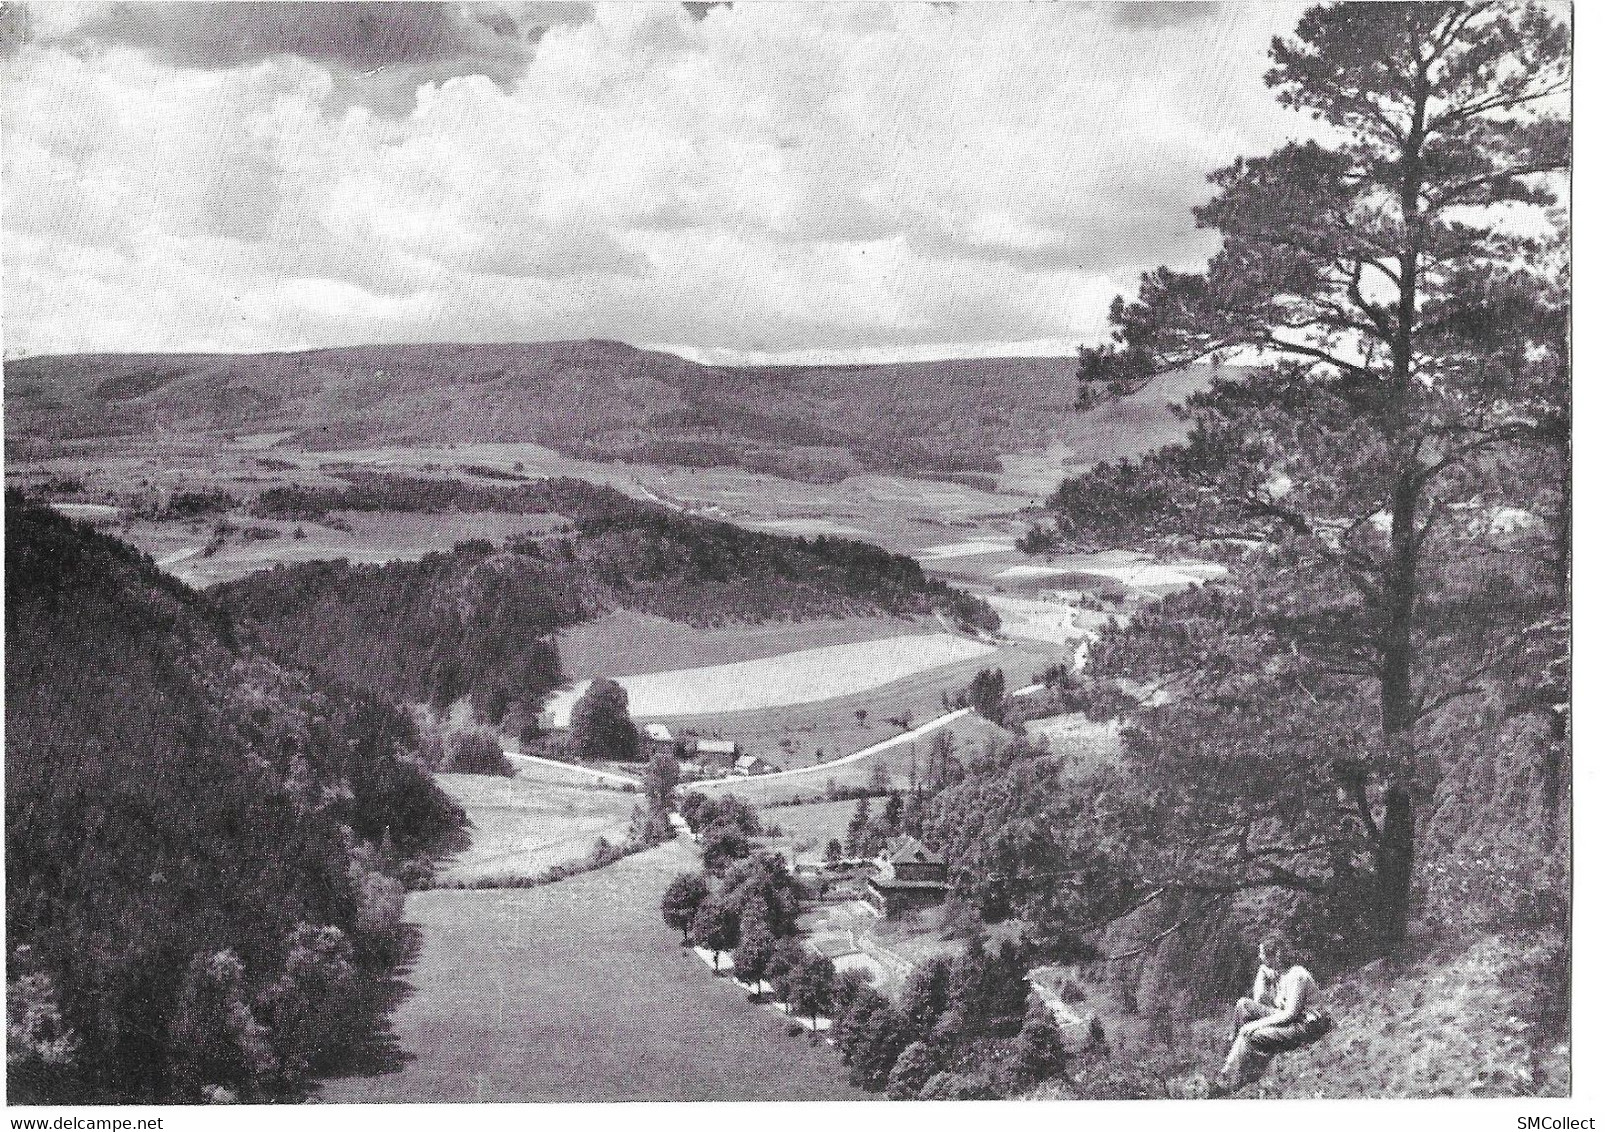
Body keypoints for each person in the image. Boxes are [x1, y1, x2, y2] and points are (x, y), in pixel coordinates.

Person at [1214, 933, 1332, 1095]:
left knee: (1249, 1034)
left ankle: (1225, 1082)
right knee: (1243, 1005)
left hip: (1308, 1025)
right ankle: (1237, 1055)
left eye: (1262, 953)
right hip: (1293, 1019)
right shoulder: (1278, 973)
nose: (1260, 957)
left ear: (1275, 955)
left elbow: (1290, 1014)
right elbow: (1259, 999)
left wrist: (1255, 1025)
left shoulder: (1297, 974)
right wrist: (1261, 974)